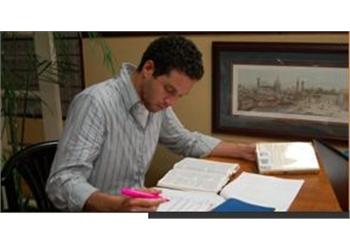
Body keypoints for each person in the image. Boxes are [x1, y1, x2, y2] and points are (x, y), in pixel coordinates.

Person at [46, 35, 256, 212]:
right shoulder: (95, 103)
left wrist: (243, 151)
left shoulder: (156, 103)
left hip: (138, 208)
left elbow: (184, 140)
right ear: (148, 68)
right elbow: (62, 181)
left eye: (179, 96)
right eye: (169, 90)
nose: (170, 102)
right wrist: (115, 205)